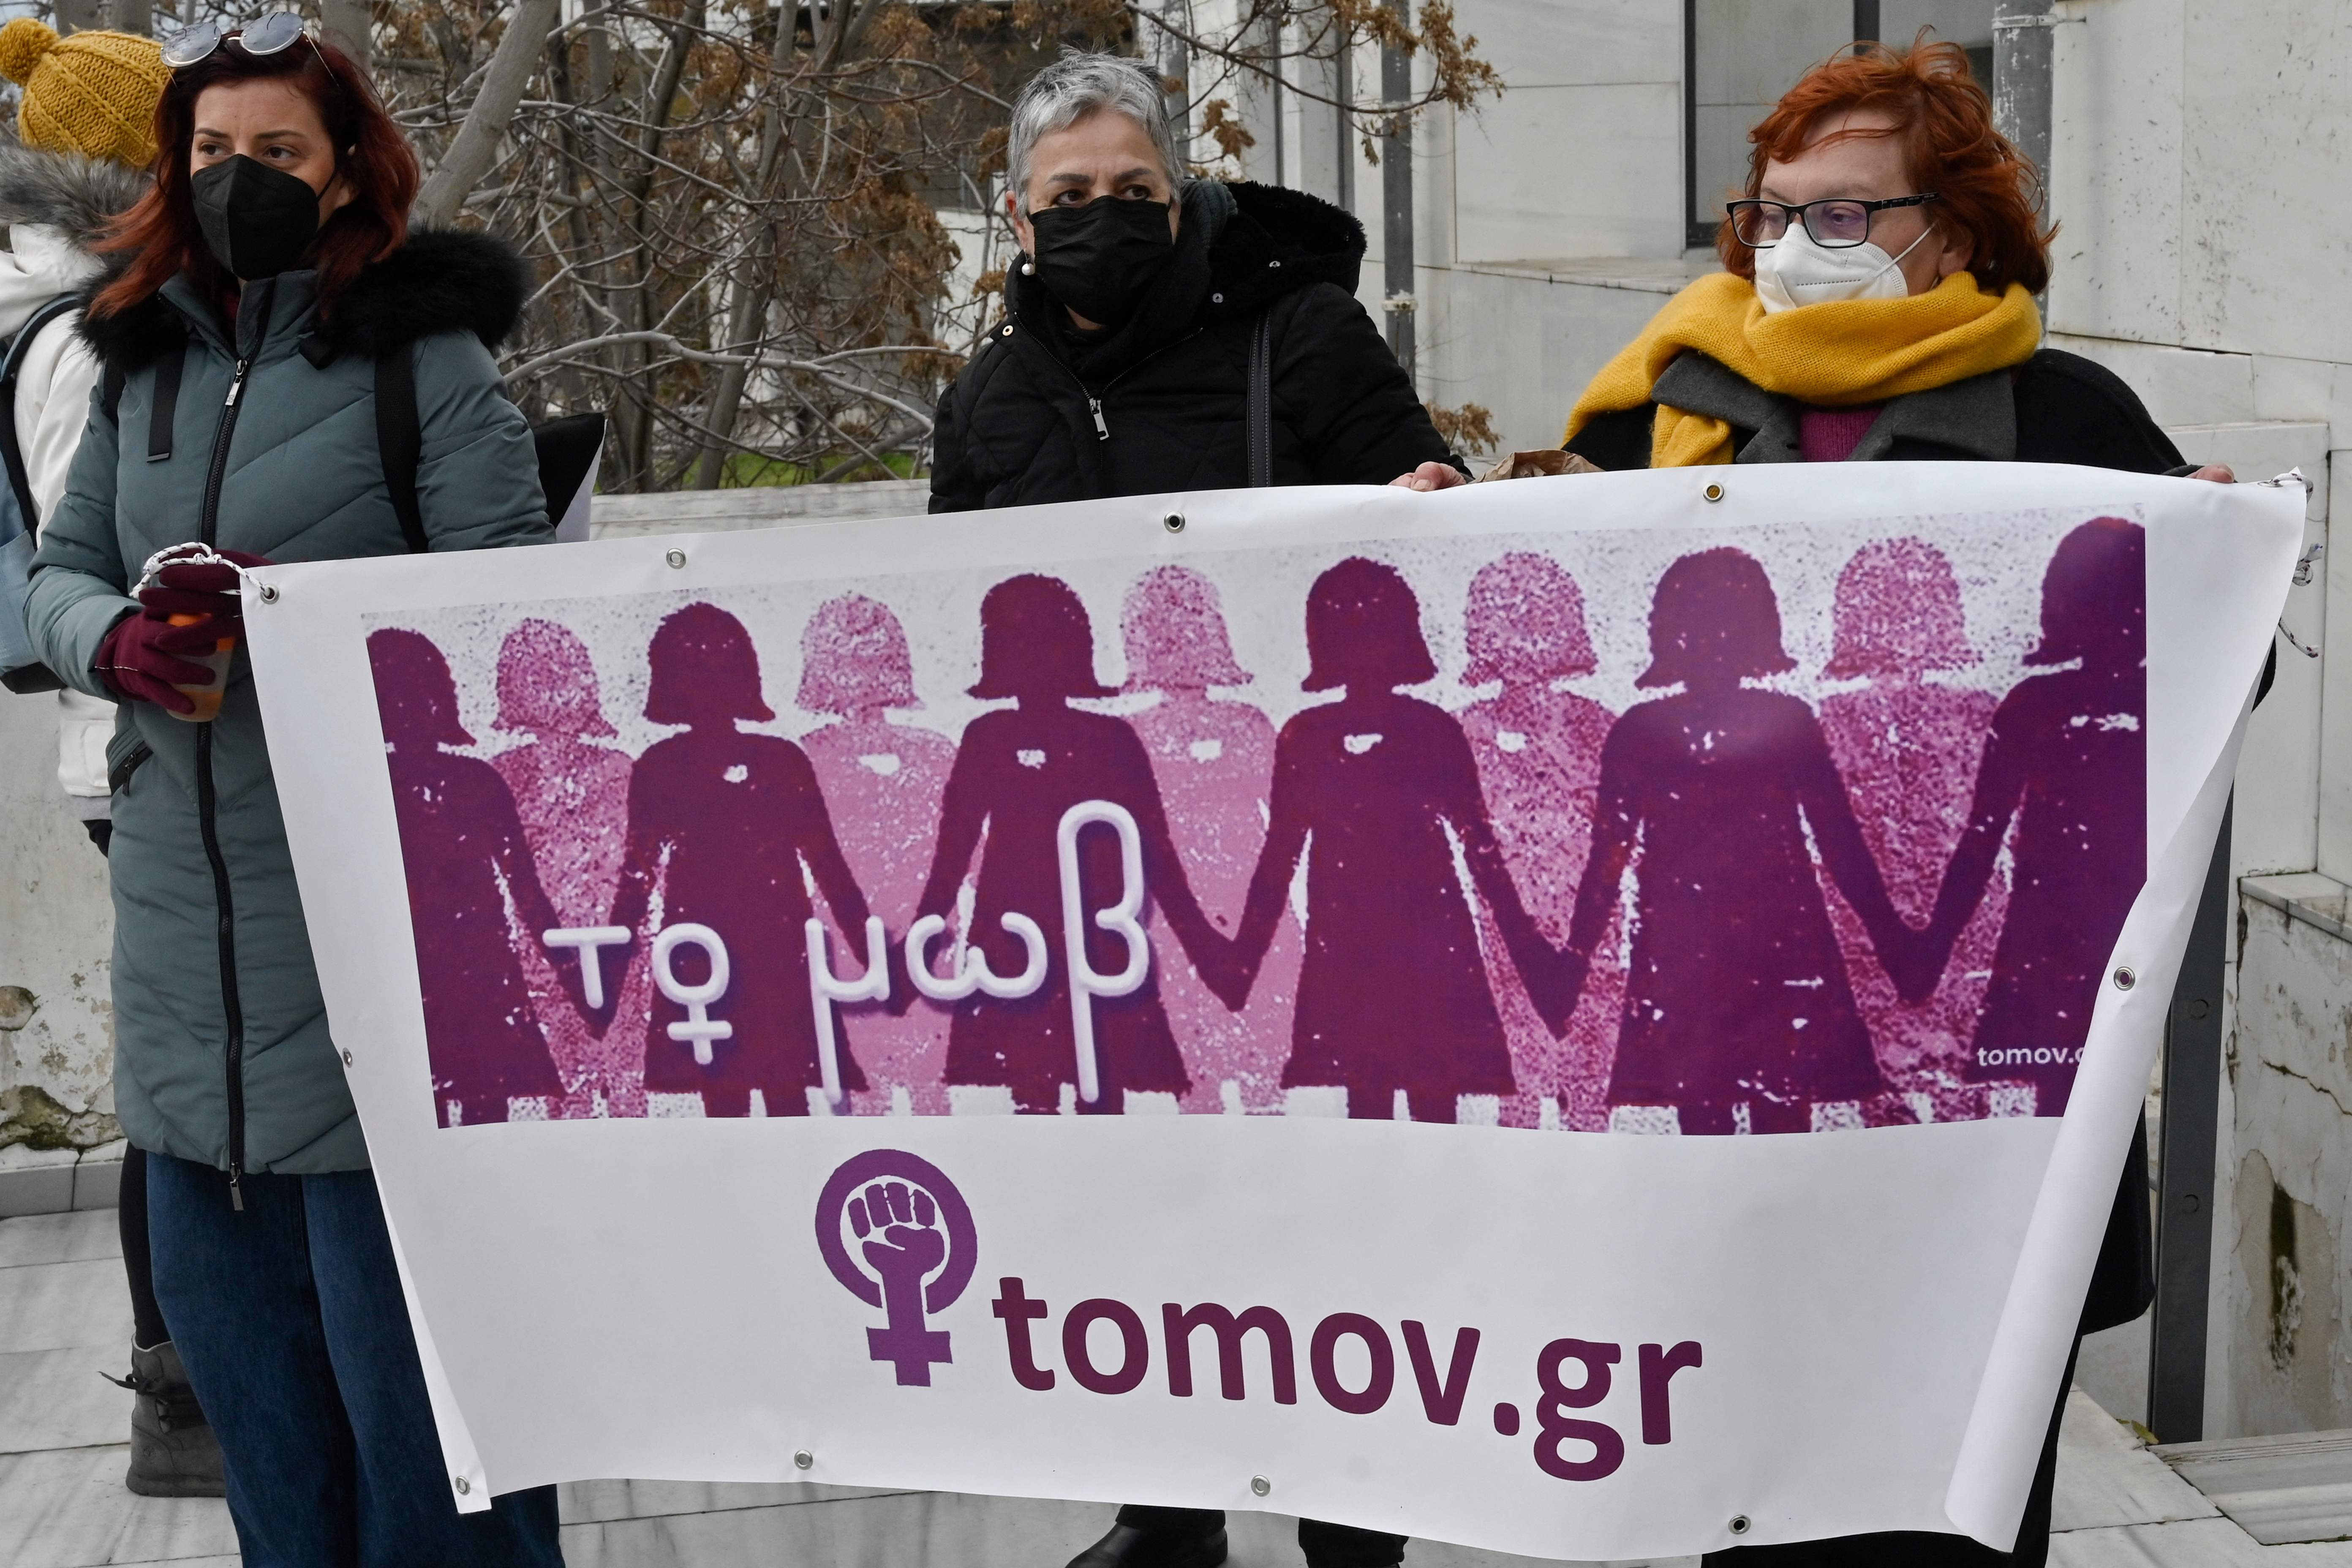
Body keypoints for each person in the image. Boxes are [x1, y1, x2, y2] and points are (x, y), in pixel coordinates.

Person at [1426, 36, 2208, 1567]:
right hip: (1729, 1049)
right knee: (1746, 1478)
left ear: (1956, 233)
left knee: (1959, 1492)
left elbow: (2183, 713)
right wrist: (1424, 545)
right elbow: (1532, 687)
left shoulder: (2074, 422)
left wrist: (2203, 591)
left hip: (1974, 1081)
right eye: (1770, 213)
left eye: (1844, 216)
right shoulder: (1656, 414)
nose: (1793, 249)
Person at [22, 22, 564, 1564]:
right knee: (269, 1444)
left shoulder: (425, 359)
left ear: (344, 176)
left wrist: (302, 620)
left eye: (275, 154)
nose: (238, 181)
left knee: (436, 1436)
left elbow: (516, 619)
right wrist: (117, 640)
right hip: (189, 976)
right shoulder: (137, 369)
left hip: (382, 964)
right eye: (209, 155)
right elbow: (47, 576)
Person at [0, 11, 224, 1502]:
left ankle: (194, 1377)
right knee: (186, 1078)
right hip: (137, 733)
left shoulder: (86, 306)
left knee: (195, 1063)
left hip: (129, 734)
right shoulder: (88, 335)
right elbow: (107, 550)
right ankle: (180, 1390)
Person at [930, 49, 1458, 511]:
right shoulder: (980, 400)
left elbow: (1435, 524)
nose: (1106, 219)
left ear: (1175, 204)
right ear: (1021, 220)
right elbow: (954, 596)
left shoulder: (1304, 335)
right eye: (1071, 197)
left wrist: (1443, 493)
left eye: (1135, 190)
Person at [1560, 549, 1912, 1135]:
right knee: (1705, 1107)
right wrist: (1574, 960)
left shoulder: (1787, 720)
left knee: (1780, 1105)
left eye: (1727, 623)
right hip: (1686, 947)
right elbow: (1608, 859)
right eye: (1697, 625)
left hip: (1777, 942)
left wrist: (1891, 938)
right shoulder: (1641, 732)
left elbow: (1840, 842)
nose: (1713, 640)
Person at [1223, 557, 1568, 1124]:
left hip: (1429, 939)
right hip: (1351, 941)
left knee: (1432, 1090)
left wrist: (1533, 960)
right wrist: (1241, 964)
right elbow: (1279, 857)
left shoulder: (1432, 730)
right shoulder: (1306, 738)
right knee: (1369, 1091)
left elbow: (1482, 852)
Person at [911, 573, 1225, 1115]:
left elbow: (1153, 849)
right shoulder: (988, 737)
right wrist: (923, 938)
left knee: (1104, 1077)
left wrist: (1204, 943)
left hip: (1099, 933)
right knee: (1028, 1085)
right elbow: (954, 849)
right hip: (1015, 930)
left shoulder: (1112, 739)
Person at [605, 601, 881, 1118]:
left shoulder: (778, 760)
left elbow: (827, 865)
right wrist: (609, 971)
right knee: (729, 1088)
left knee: (777, 1089)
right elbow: (637, 879)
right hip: (704, 948)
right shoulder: (661, 766)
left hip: (768, 945)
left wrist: (877, 957)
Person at [1911, 519, 2147, 1119]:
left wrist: (1932, 947)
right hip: (2056, 931)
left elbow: (1979, 841)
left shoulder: (2156, 696)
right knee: (2062, 1102)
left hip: (2117, 925)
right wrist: (1933, 948)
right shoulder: (2034, 706)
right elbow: (1981, 839)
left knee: (2091, 1101)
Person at [1816, 538, 2003, 1124]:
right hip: (1863, 936)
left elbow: (1985, 833)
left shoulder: (1978, 711)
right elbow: (1836, 840)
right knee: (1877, 1100)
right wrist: (1892, 937)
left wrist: (1937, 937)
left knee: (1970, 1101)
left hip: (1968, 932)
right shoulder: (1833, 721)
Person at [1119, 565, 1297, 1113]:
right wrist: (1201, 936)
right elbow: (1144, 844)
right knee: (1195, 1089)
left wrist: (1252, 935)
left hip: (1256, 918)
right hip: (1172, 929)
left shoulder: (1250, 725)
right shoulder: (1134, 738)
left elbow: (1284, 837)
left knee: (1268, 1083)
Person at [1454, 552, 1617, 1130]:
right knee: (1515, 1095)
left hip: (1594, 936)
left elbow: (1614, 843)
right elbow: (1475, 844)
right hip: (1503, 937)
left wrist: (1580, 942)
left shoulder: (1597, 724)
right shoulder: (1468, 731)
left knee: (1591, 1095)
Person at [795, 593, 958, 1115]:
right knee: (870, 1093)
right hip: (861, 949)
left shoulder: (933, 754)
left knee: (923, 1090)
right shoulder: (807, 759)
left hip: (918, 945)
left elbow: (964, 861)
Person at [491, 616, 641, 1117]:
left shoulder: (621, 771)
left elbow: (640, 875)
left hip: (617, 956)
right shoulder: (506, 776)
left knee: (625, 1091)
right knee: (566, 1100)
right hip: (543, 962)